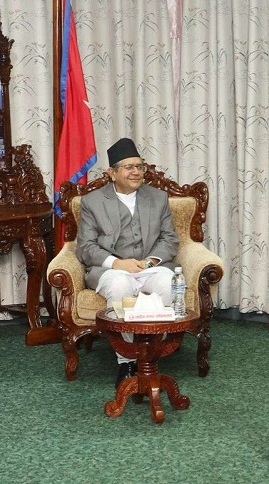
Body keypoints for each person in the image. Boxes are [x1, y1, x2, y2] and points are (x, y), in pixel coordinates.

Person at [77, 137, 179, 385]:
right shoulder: (92, 202)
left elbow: (170, 239)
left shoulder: (158, 198)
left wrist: (150, 262)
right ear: (112, 173)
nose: (136, 172)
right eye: (129, 167)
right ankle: (127, 360)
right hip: (112, 270)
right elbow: (85, 247)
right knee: (120, 285)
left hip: (150, 267)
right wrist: (118, 264)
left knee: (169, 283)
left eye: (139, 166)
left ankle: (151, 354)